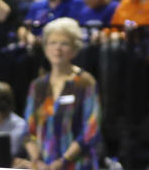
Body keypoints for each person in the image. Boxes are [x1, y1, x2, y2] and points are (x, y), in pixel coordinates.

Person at [24, 18, 101, 170]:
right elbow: (28, 131)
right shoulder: (37, 86)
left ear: (74, 49)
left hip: (77, 165)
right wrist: (37, 161)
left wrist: (64, 161)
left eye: (64, 43)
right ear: (45, 48)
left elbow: (91, 130)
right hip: (43, 165)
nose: (57, 48)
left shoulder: (85, 82)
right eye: (52, 42)